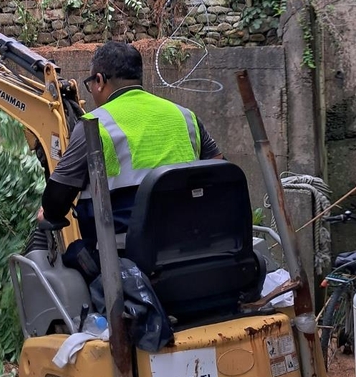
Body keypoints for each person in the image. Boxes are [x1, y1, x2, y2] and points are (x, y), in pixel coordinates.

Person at [39, 41, 222, 253]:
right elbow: (220, 174)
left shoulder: (94, 126)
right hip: (189, 248)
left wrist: (49, 213)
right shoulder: (185, 116)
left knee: (72, 257)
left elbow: (56, 200)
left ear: (99, 81)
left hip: (121, 259)